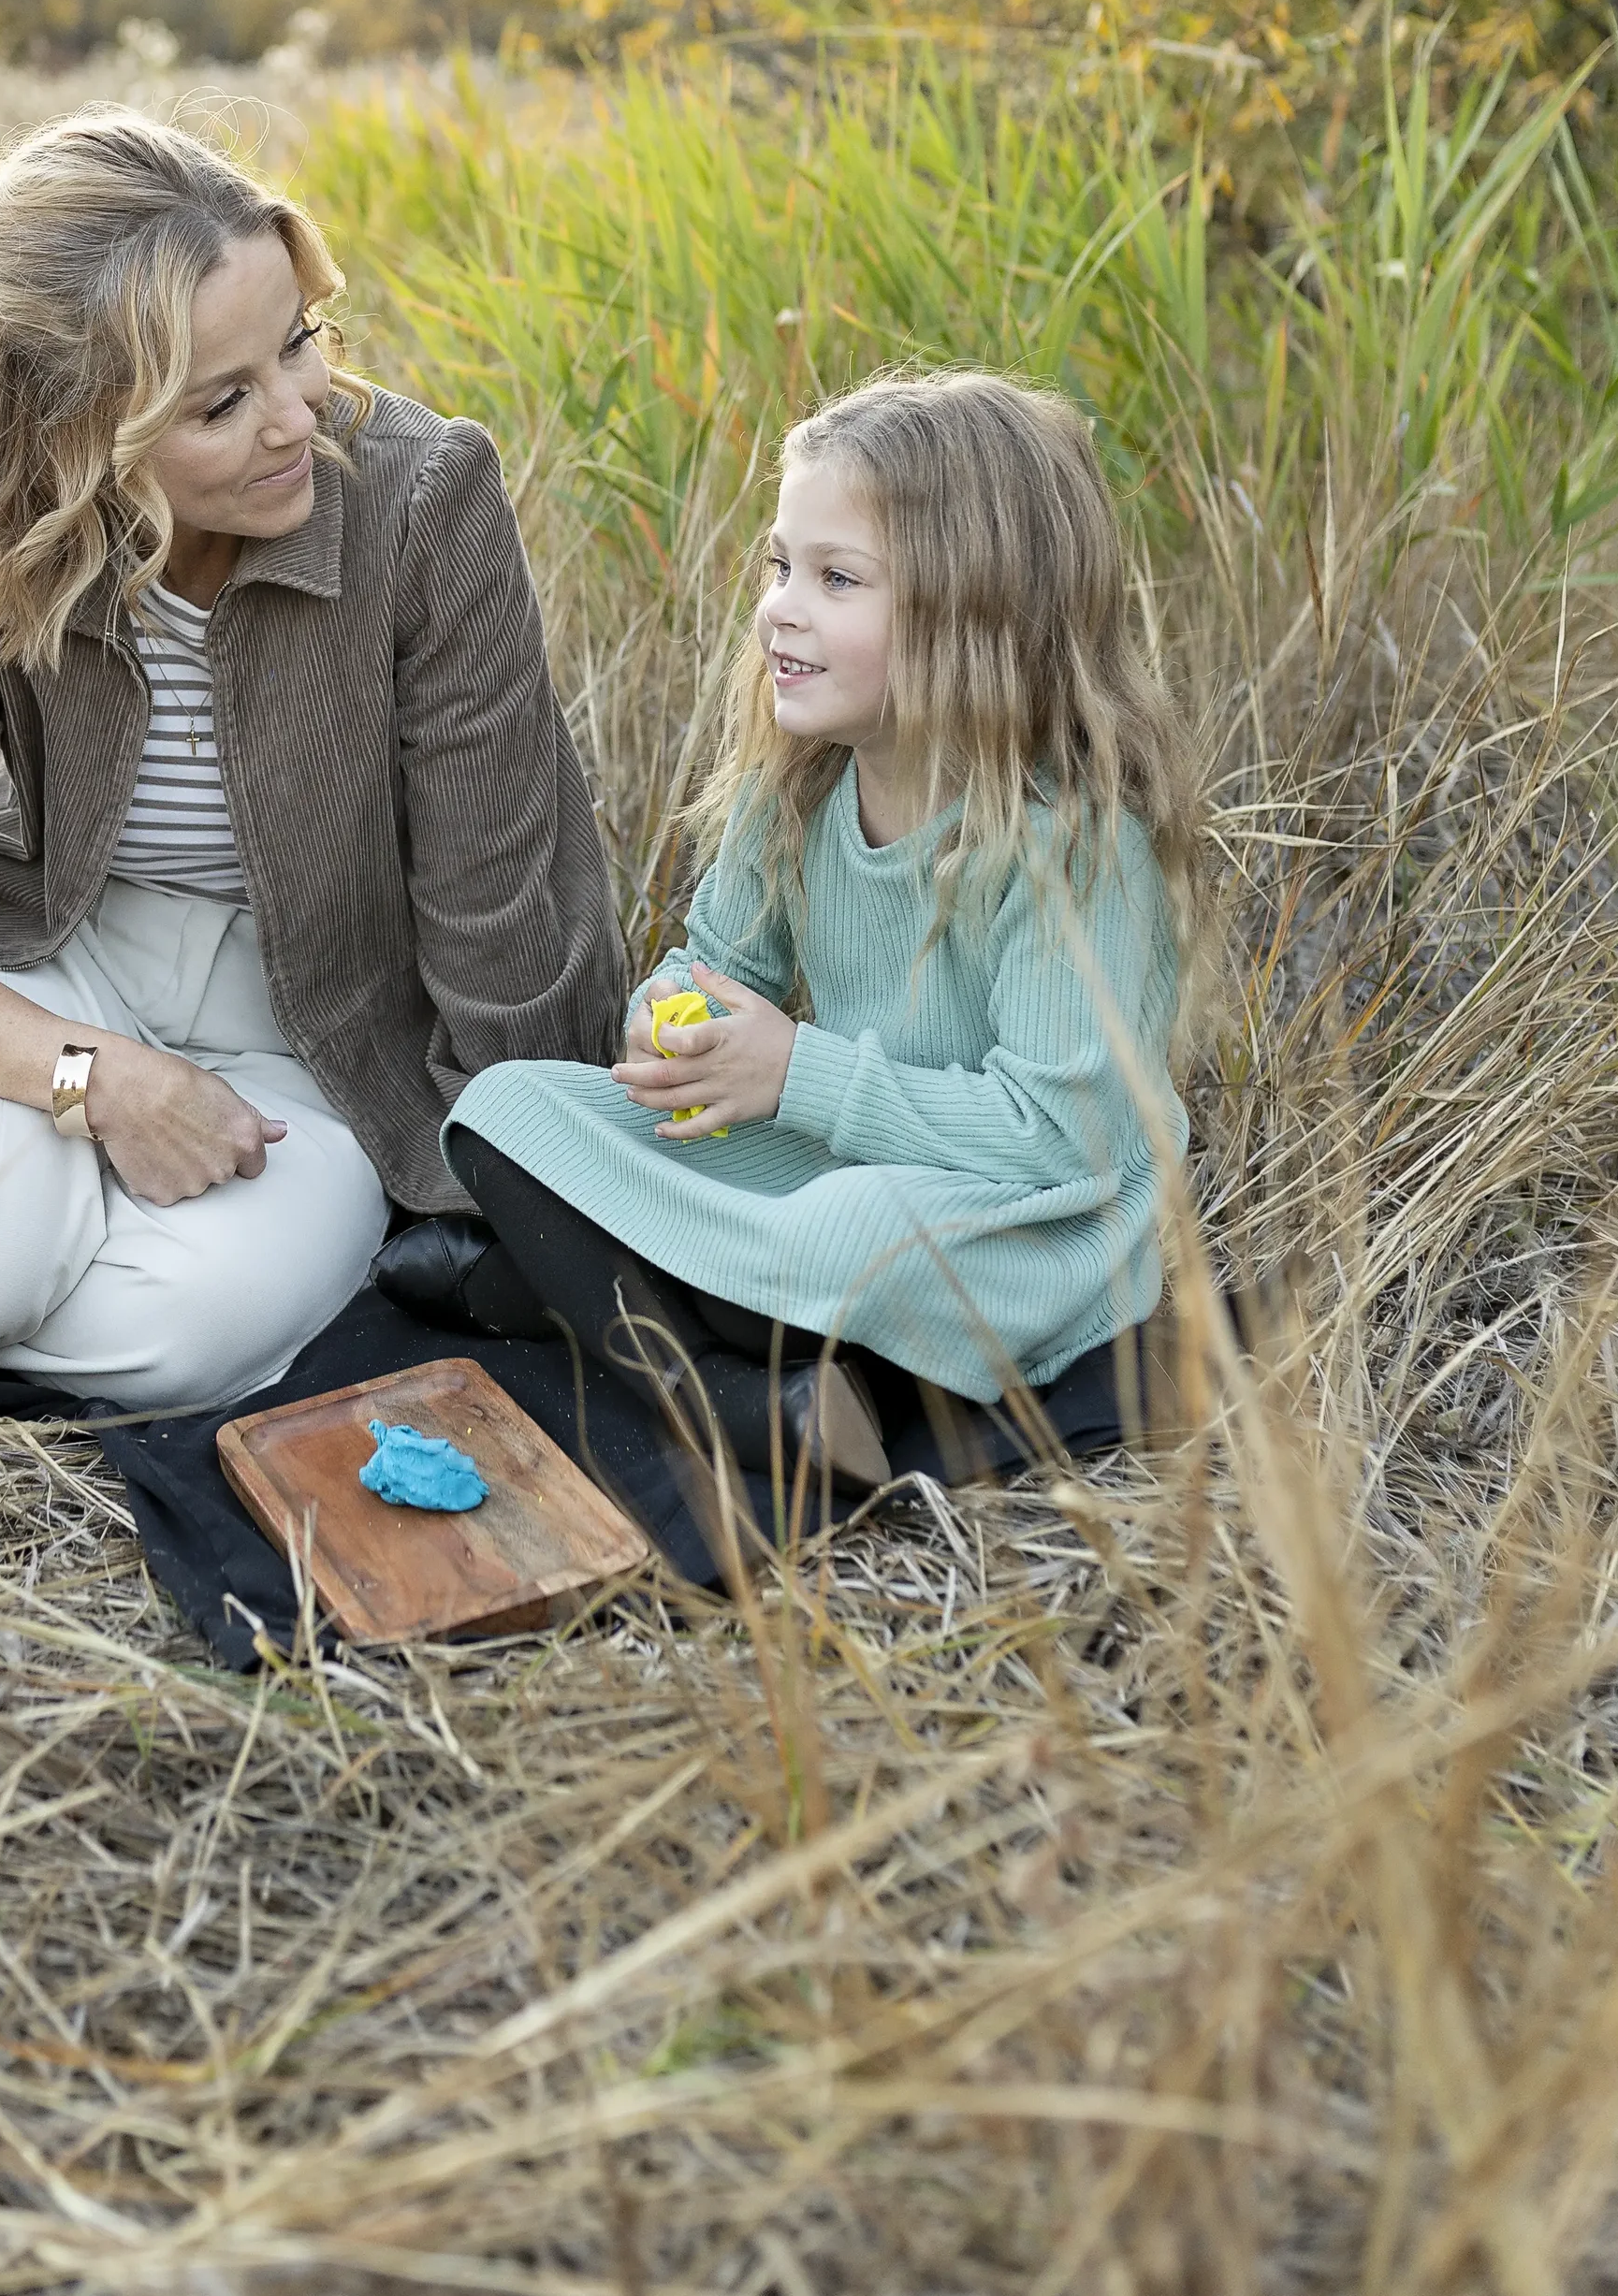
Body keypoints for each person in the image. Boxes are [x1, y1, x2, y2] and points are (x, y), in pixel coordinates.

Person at [0, 108, 627, 1413]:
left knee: (181, 1338)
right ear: (80, 433)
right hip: (61, 961)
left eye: (298, 341)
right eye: (221, 400)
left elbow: (498, 903)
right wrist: (93, 1082)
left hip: (320, 1018)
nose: (297, 416)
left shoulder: (426, 500)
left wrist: (534, 1189)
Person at [417, 368, 1203, 1489]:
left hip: (1033, 1227)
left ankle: (668, 1357)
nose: (780, 604)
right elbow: (713, 964)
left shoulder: (1066, 847)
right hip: (847, 1154)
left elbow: (1055, 1137)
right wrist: (667, 1028)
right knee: (509, 1111)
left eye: (837, 578)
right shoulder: (794, 788)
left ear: (975, 615)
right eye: (781, 564)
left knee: (847, 1232)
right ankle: (754, 1373)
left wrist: (795, 1077)